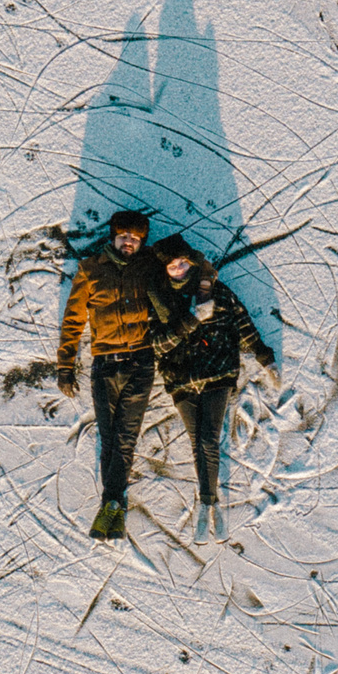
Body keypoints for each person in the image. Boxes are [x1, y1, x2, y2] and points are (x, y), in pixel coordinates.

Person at [145, 235, 278, 541]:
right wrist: (190, 320)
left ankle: (208, 505)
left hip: (219, 374)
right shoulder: (159, 300)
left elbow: (242, 323)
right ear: (165, 270)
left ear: (191, 260)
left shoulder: (215, 291)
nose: (179, 269)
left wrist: (265, 358)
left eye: (183, 263)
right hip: (181, 380)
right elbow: (156, 344)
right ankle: (210, 505)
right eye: (172, 266)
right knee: (199, 442)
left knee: (207, 438)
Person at [55, 210, 164, 538]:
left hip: (140, 363)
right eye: (124, 236)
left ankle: (112, 505)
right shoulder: (90, 270)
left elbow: (181, 273)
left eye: (136, 238)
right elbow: (74, 320)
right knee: (109, 437)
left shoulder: (149, 267)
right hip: (104, 365)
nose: (130, 242)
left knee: (125, 437)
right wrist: (64, 366)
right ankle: (113, 505)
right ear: (113, 236)